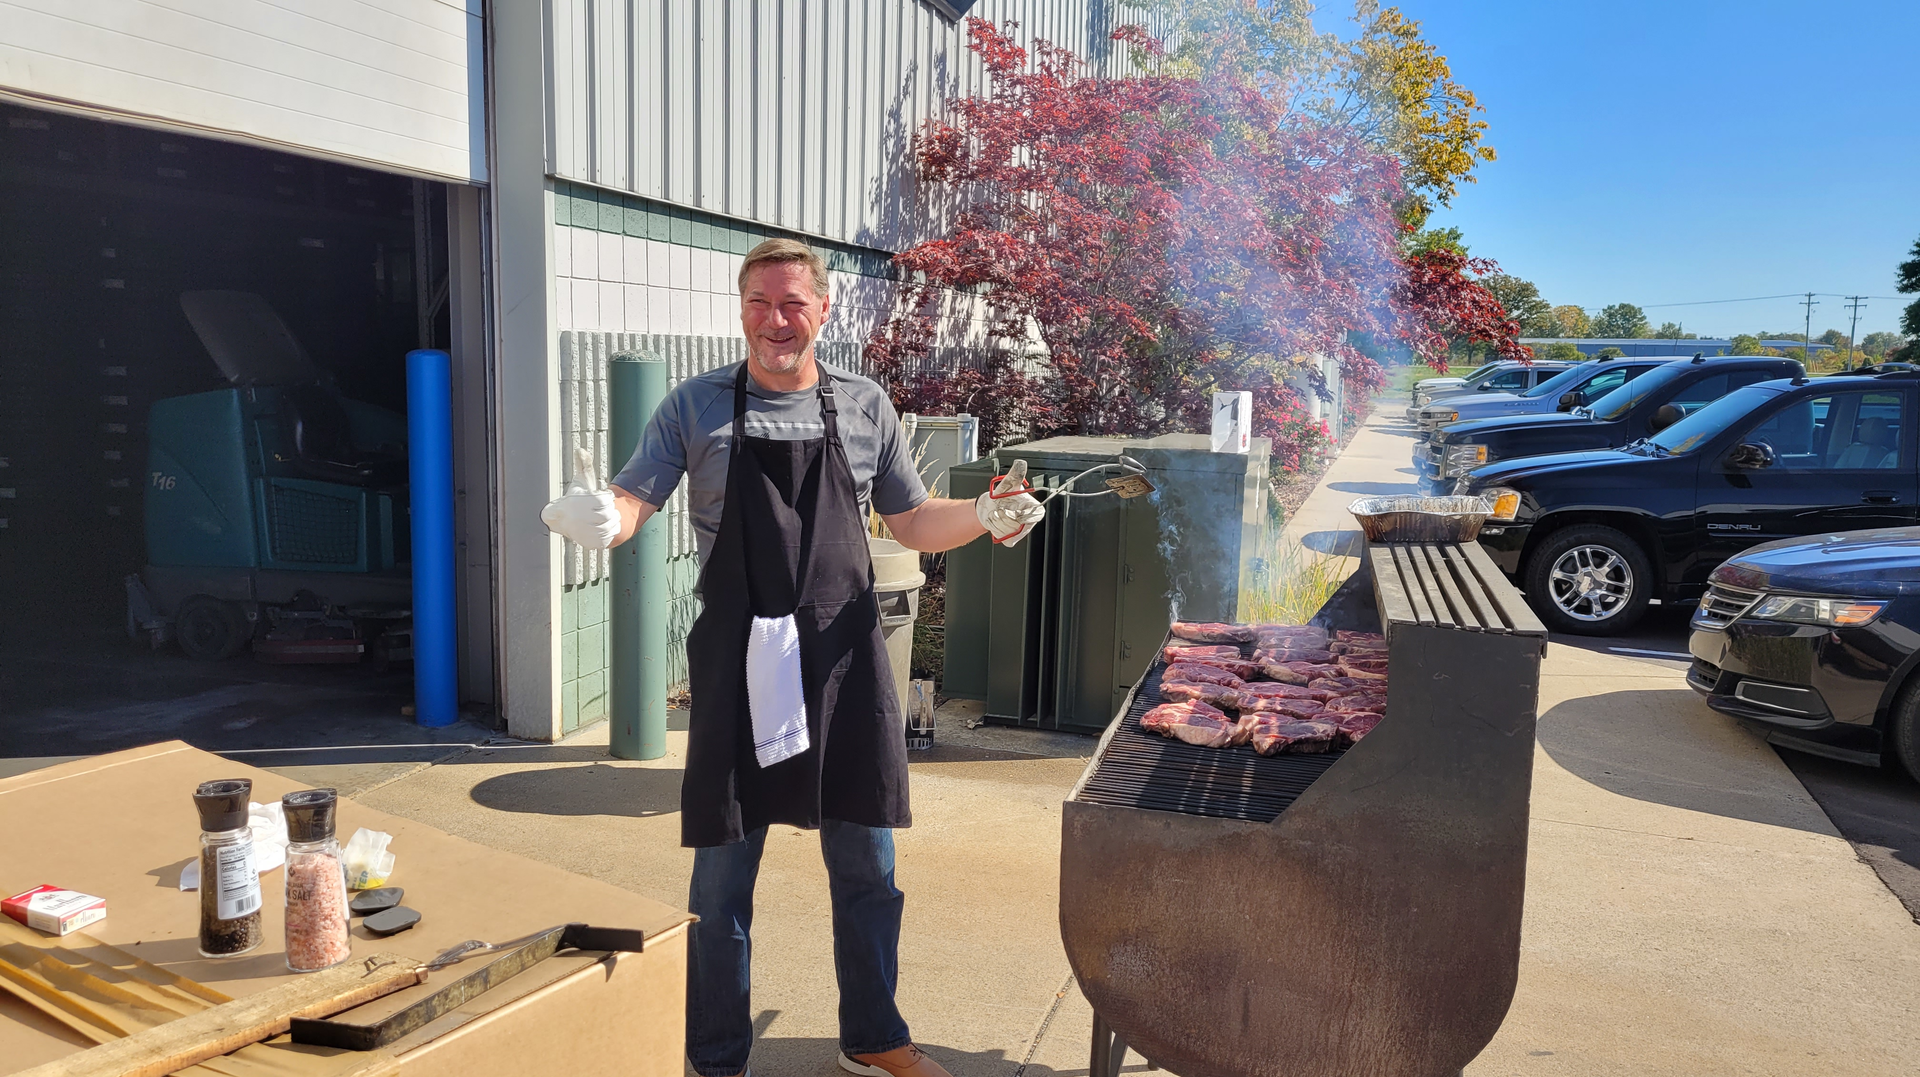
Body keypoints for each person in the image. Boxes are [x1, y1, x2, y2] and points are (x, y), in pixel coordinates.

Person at [540, 239, 1046, 1077]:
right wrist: (605, 514)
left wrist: (989, 517)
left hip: (840, 659)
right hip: (740, 665)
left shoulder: (864, 404)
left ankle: (874, 1034)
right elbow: (635, 499)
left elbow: (913, 521)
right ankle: (716, 1055)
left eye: (792, 304)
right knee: (722, 878)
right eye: (758, 305)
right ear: (741, 309)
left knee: (868, 864)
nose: (776, 321)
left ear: (823, 308)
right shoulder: (694, 407)